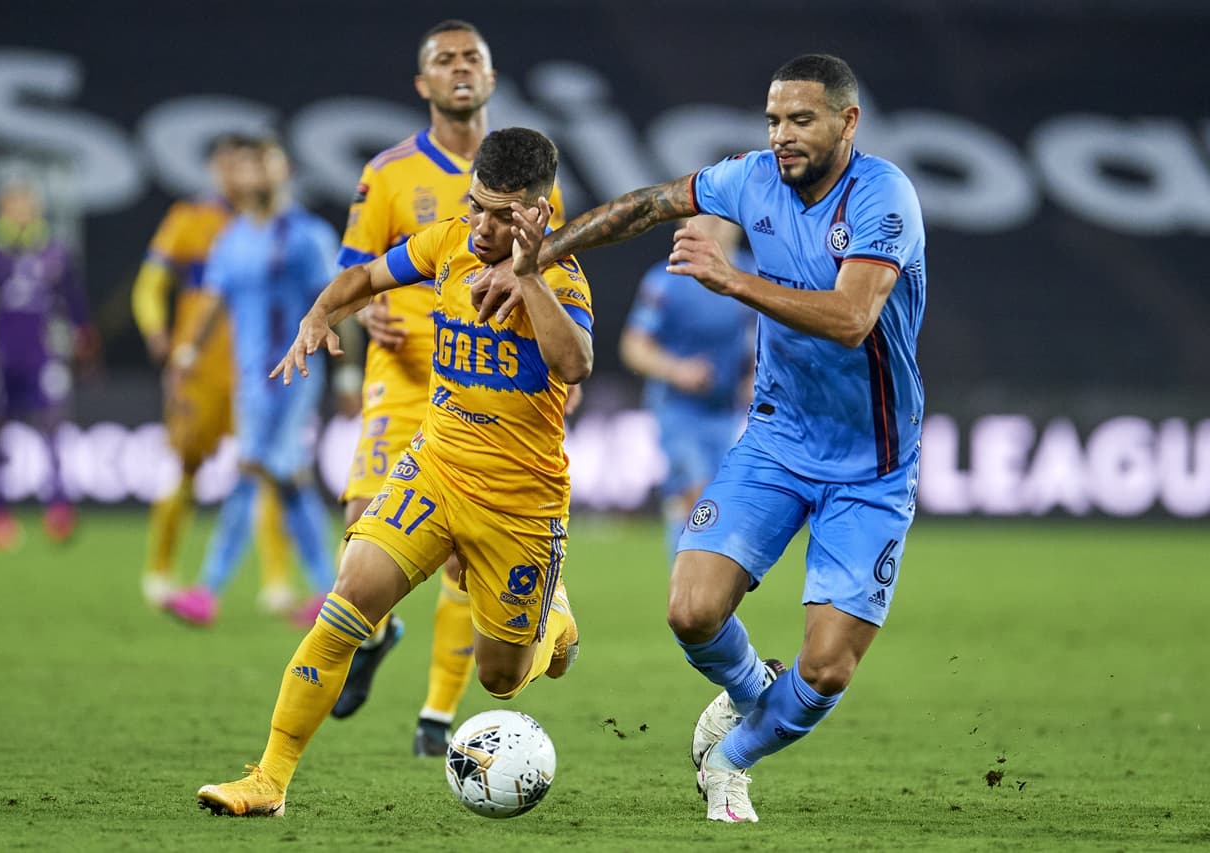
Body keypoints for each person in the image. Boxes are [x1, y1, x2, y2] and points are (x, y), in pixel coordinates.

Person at [474, 54, 925, 823]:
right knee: (690, 609)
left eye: (801, 120)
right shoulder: (750, 178)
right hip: (777, 440)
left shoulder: (884, 197)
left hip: (871, 463)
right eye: (774, 119)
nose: (782, 135)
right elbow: (647, 205)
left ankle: (730, 758)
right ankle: (752, 692)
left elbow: (853, 318)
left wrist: (730, 279)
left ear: (848, 122)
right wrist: (535, 260)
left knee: (826, 667)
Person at [195, 127, 589, 817]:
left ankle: (554, 622)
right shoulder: (447, 243)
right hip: (434, 469)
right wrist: (321, 313)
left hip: (518, 503)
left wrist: (527, 275)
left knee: (500, 678)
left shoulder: (562, 278)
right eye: (476, 206)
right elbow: (367, 276)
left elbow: (576, 362)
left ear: (539, 211)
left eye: (502, 216)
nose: (482, 227)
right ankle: (268, 780)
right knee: (345, 606)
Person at [328, 18, 570, 756]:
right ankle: (378, 633)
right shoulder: (389, 172)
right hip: (403, 376)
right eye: (444, 59)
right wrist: (363, 313)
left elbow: (555, 277)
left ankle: (436, 714)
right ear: (423, 82)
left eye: (472, 58)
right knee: (361, 531)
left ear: (491, 77)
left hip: (489, 391)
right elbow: (354, 266)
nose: (460, 68)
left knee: (468, 559)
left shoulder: (529, 177)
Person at [162, 136, 340, 626]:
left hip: (295, 376)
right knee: (289, 479)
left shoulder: (307, 235)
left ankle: (208, 589)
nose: (252, 175)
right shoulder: (232, 238)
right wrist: (188, 352)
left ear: (284, 172)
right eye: (244, 167)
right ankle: (330, 591)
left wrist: (348, 373)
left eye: (263, 165)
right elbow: (214, 301)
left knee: (251, 468)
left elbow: (336, 301)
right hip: (250, 380)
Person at [132, 134, 304, 615]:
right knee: (185, 467)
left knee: (269, 471)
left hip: (261, 371)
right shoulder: (190, 219)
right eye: (229, 166)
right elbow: (150, 284)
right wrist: (156, 330)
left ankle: (277, 583)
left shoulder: (284, 227)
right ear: (214, 171)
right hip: (202, 373)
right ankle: (160, 570)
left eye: (246, 166)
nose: (238, 176)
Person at [0, 172, 97, 549]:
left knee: (53, 426)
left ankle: (58, 506)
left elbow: (74, 298)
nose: (23, 212)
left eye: (28, 205)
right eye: (16, 205)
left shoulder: (53, 251)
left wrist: (85, 334)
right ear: (3, 209)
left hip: (40, 354)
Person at [620, 215, 755, 555]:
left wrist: (753, 378)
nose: (714, 226)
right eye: (703, 218)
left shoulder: (750, 276)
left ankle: (703, 582)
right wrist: (677, 369)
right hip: (677, 411)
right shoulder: (667, 280)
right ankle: (689, 582)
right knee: (697, 496)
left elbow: (761, 340)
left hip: (726, 412)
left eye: (721, 218)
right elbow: (634, 347)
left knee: (720, 506)